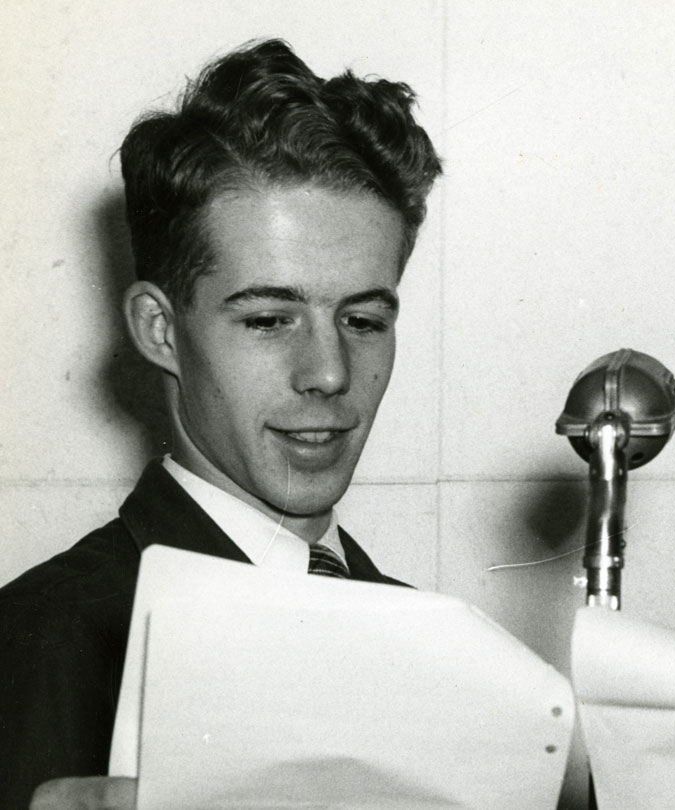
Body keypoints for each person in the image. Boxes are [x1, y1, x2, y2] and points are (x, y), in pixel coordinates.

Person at [0, 39, 442, 810]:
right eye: (270, 320)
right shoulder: (42, 643)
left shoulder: (448, 652)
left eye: (364, 319)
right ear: (160, 329)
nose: (331, 373)